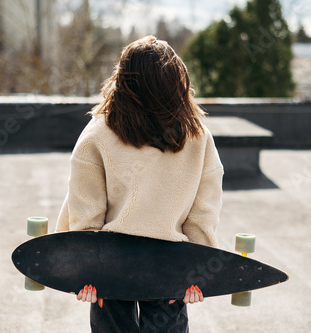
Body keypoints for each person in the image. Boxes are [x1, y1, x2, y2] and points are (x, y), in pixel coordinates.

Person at [55, 35, 224, 332]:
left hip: (109, 263)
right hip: (170, 263)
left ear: (122, 80)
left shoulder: (97, 134)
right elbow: (203, 213)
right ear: (177, 82)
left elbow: (86, 209)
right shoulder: (198, 137)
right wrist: (197, 269)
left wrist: (82, 268)